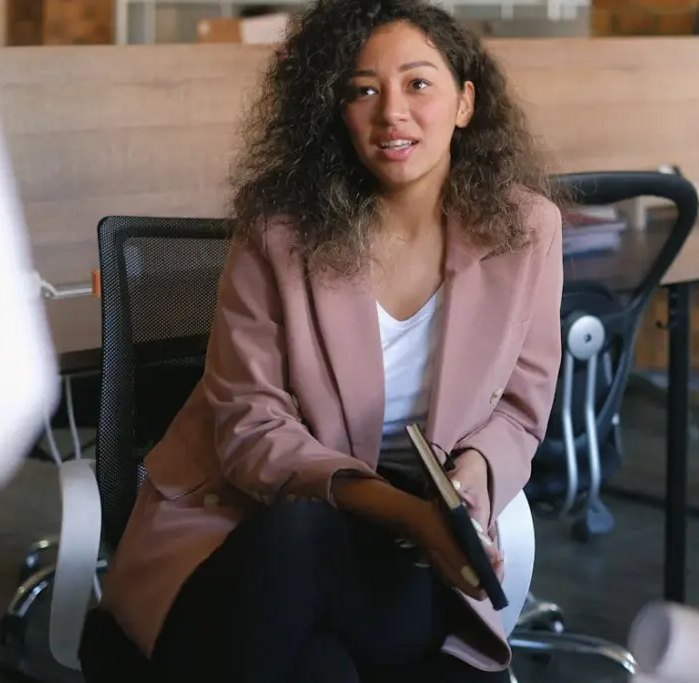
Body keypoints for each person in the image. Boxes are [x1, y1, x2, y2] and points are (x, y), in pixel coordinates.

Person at [94, 0, 564, 680]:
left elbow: (521, 408)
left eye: (418, 83)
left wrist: (470, 483)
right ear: (334, 110)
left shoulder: (527, 231)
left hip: (409, 551)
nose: (391, 112)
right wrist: (404, 511)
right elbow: (250, 425)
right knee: (305, 569)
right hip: (240, 530)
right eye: (362, 89)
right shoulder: (280, 233)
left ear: (465, 102)